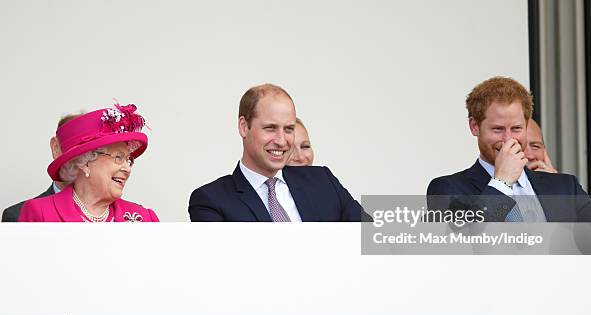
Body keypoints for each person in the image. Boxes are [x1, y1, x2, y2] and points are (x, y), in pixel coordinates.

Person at [427, 76, 591, 222]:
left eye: (516, 128)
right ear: (474, 126)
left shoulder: (565, 187)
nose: (508, 139)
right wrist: (502, 182)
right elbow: (469, 243)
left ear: (526, 125)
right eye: (498, 129)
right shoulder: (447, 189)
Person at [189, 84, 365, 222]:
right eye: (270, 128)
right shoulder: (211, 201)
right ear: (244, 127)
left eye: (288, 129)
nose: (281, 141)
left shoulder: (323, 181)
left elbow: (378, 241)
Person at [19, 103, 159, 222]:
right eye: (118, 157)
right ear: (85, 162)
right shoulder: (40, 213)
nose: (127, 168)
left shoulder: (145, 218)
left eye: (128, 160)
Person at [2, 113, 81, 222]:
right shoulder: (18, 216)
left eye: (94, 152)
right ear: (56, 148)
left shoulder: (111, 214)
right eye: (76, 147)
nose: (84, 159)